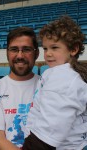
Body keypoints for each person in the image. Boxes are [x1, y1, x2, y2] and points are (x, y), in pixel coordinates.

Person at [22, 15, 87, 150]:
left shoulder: (63, 77)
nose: (48, 54)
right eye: (45, 48)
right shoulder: (56, 73)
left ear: (73, 49)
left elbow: (50, 129)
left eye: (55, 47)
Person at [0, 27, 40, 150]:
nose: (20, 56)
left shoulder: (47, 87)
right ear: (7, 53)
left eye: (26, 49)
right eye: (14, 49)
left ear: (36, 53)